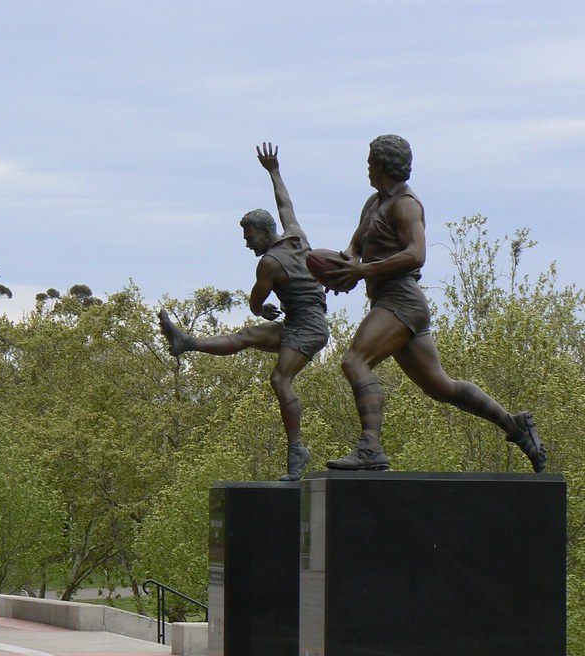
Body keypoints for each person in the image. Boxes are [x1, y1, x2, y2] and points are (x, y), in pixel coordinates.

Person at [323, 134, 546, 472]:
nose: (367, 167)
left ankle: (370, 447)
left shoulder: (406, 204)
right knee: (441, 386)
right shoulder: (374, 202)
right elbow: (355, 245)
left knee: (355, 361)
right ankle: (515, 425)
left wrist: (364, 269)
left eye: (370, 162)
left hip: (401, 299)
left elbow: (416, 254)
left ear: (381, 165)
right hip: (389, 301)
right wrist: (341, 269)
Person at [158, 143, 329, 481]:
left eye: (250, 237)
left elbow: (254, 303)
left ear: (266, 234)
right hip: (301, 322)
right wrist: (274, 171)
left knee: (280, 379)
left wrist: (262, 309)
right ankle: (185, 342)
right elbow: (286, 204)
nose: (247, 243)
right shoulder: (296, 236)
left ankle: (297, 451)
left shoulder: (269, 263)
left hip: (309, 329)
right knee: (247, 337)